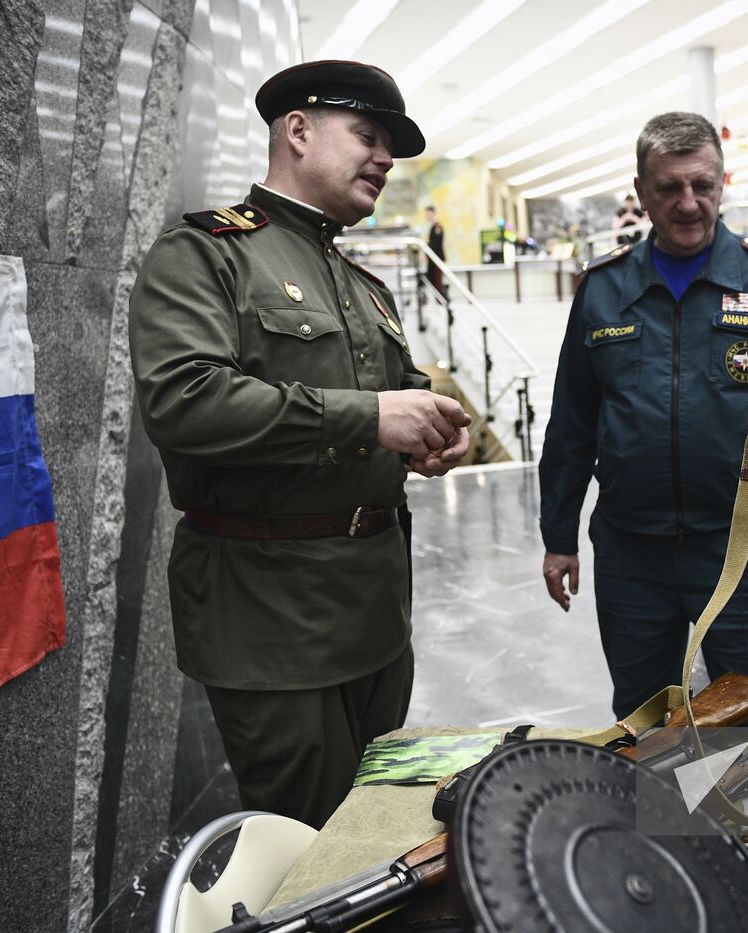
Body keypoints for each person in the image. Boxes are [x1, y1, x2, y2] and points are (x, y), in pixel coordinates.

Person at [129, 60, 471, 828]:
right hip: (273, 624)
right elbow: (184, 400)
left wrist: (429, 435)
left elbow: (395, 399)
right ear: (298, 129)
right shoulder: (208, 254)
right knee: (307, 849)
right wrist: (369, 417)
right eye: (369, 135)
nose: (385, 158)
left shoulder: (362, 285)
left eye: (390, 145)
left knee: (378, 830)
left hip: (375, 614)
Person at [538, 111, 748, 728]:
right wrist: (557, 536)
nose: (688, 203)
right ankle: (660, 827)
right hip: (633, 556)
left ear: (722, 181)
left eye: (702, 186)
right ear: (640, 191)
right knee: (643, 722)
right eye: (669, 188)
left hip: (747, 551)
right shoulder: (601, 290)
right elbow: (571, 422)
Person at [424, 205, 448, 302]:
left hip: (436, 259)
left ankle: (441, 300)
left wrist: (427, 248)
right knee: (432, 280)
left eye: (428, 214)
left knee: (437, 283)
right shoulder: (433, 227)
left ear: (433, 214)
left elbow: (436, 244)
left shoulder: (437, 226)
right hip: (432, 260)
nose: (427, 217)